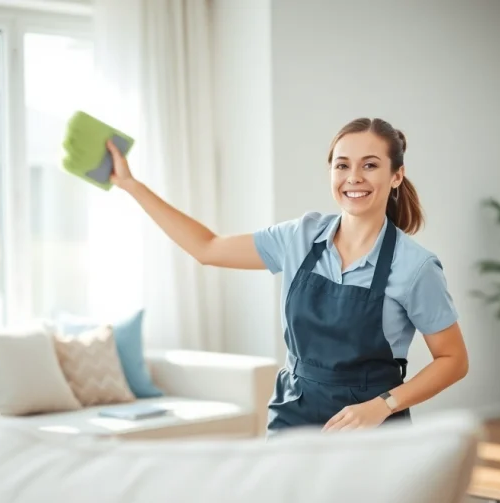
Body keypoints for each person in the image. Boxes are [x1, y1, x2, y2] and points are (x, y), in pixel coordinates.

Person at [104, 117, 469, 436]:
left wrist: (383, 405)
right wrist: (132, 185)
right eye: (342, 166)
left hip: (370, 430)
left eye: (370, 165)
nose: (353, 177)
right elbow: (207, 247)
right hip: (293, 419)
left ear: (396, 175)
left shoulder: (415, 266)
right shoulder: (299, 237)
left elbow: (453, 359)